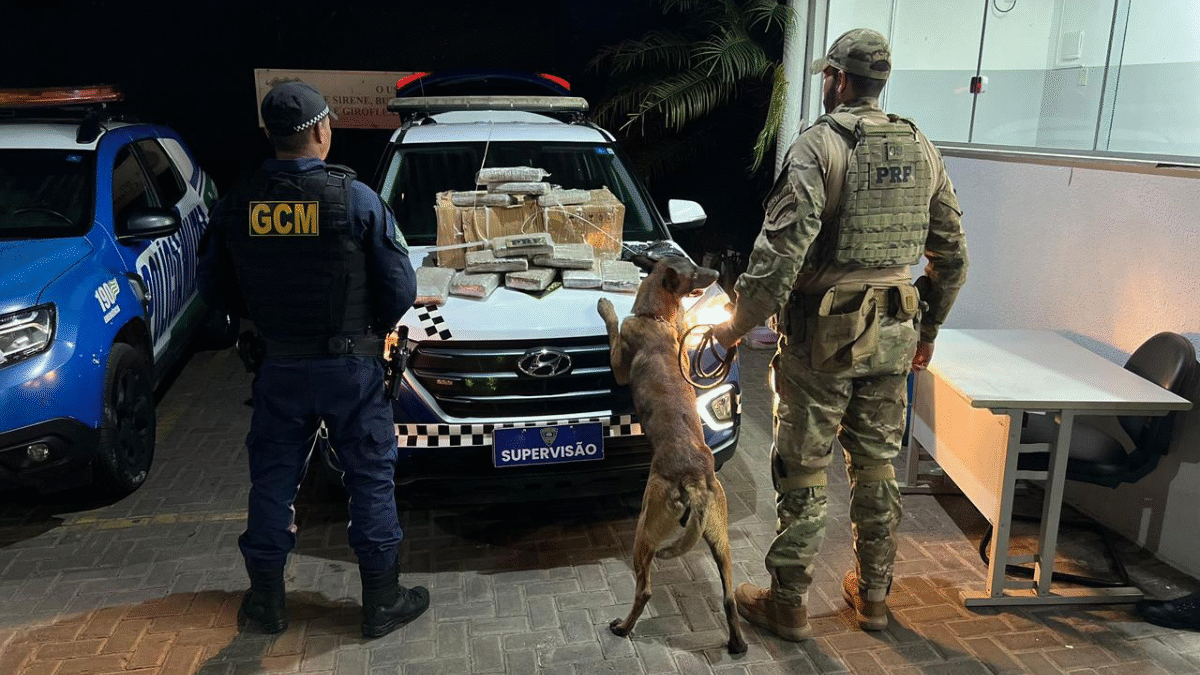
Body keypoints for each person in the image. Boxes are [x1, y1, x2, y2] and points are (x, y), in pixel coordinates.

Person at [711, 29, 968, 639]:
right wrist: (927, 329)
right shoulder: (922, 148)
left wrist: (732, 331)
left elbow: (777, 261)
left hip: (819, 345)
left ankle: (789, 602)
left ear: (837, 79)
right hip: (894, 339)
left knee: (803, 469)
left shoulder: (818, 149)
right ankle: (875, 596)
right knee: (879, 467)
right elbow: (952, 258)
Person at [197, 81, 428, 639]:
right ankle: (380, 601)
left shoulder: (239, 200)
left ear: (271, 136)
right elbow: (399, 288)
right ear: (323, 131)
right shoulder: (354, 199)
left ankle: (268, 603)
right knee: (370, 479)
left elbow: (212, 287)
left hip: (278, 366)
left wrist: (262, 318)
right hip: (351, 368)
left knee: (272, 482)